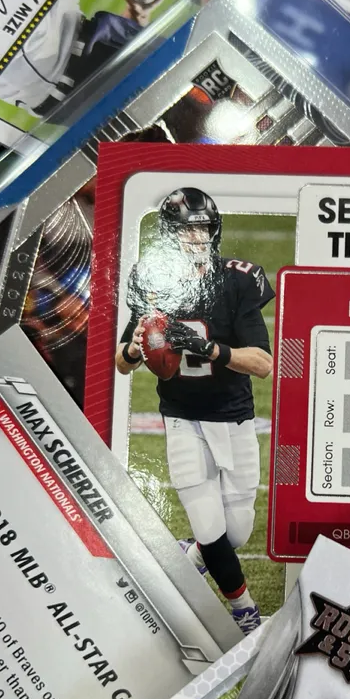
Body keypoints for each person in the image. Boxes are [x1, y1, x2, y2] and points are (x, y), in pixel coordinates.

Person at [115, 187, 273, 633]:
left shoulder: (238, 280)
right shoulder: (151, 279)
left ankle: (189, 559)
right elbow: (121, 363)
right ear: (170, 235)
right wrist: (136, 348)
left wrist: (208, 348)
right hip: (182, 416)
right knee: (208, 526)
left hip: (234, 414)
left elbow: (263, 364)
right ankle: (245, 614)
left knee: (235, 533)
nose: (197, 237)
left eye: (204, 228)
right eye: (187, 229)